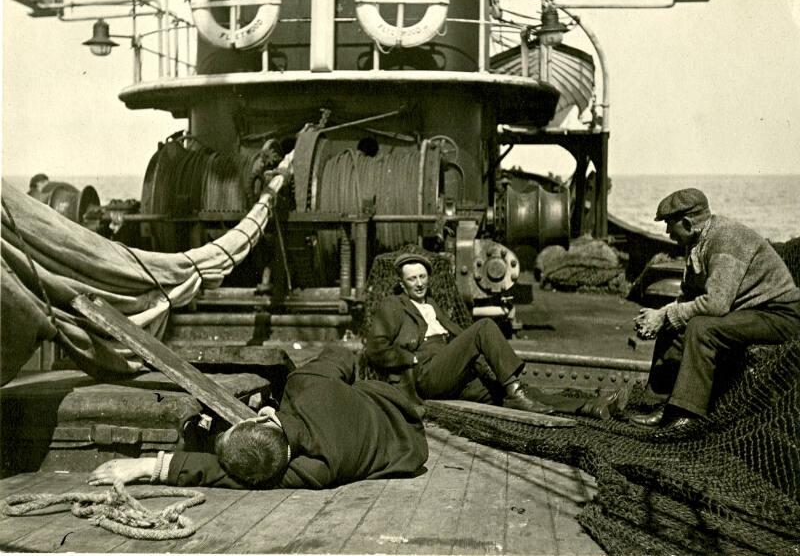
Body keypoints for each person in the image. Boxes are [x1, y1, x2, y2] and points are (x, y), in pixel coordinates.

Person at [88, 345, 428, 489]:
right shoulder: (308, 385)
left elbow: (227, 476)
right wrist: (341, 390)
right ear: (264, 420)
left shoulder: (314, 471)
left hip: (402, 446)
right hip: (400, 422)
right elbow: (341, 354)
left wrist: (152, 466)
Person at [365, 253, 622, 419]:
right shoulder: (393, 305)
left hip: (454, 372)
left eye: (422, 277)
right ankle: (515, 389)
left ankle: (589, 407)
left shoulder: (432, 304)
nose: (419, 283)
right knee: (484, 327)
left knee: (511, 393)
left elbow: (456, 340)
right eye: (412, 279)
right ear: (402, 283)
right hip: (427, 372)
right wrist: (409, 360)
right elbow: (374, 348)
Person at [632, 188, 800, 430]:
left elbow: (715, 305)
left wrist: (669, 314)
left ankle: (686, 415)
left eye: (670, 225)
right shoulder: (699, 240)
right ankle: (662, 404)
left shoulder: (724, 240)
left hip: (781, 314)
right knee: (673, 324)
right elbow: (690, 297)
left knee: (701, 328)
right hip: (751, 311)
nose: (668, 233)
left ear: (688, 223)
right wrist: (661, 315)